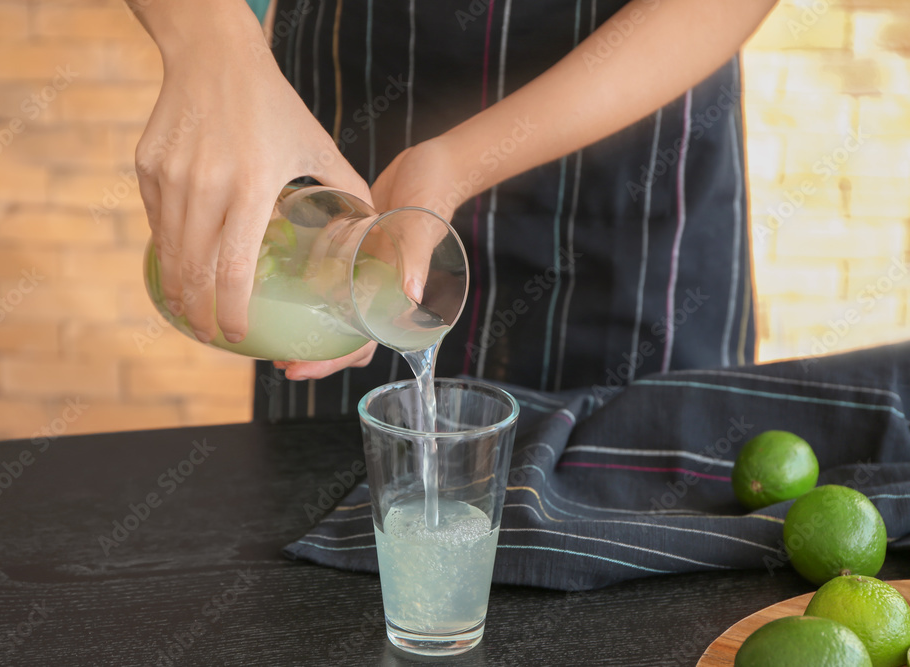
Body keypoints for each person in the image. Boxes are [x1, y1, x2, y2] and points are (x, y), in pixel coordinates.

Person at [126, 0, 778, 420]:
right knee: (330, 549)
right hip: (353, 166)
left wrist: (457, 164)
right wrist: (210, 40)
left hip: (636, 178)